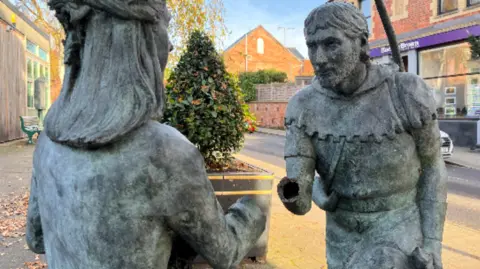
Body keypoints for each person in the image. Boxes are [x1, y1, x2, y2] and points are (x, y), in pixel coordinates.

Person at [25, 1, 266, 268]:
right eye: (164, 27)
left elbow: (36, 238)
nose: (171, 45)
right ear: (138, 37)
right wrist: (252, 210)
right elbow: (225, 252)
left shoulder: (47, 142)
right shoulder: (165, 152)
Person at [277, 2, 447, 269]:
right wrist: (301, 193)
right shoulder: (303, 107)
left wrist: (433, 243)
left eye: (331, 44)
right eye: (312, 46)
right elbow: (302, 200)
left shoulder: (406, 93)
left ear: (362, 44)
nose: (319, 59)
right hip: (341, 233)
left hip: (399, 224)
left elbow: (433, 166)